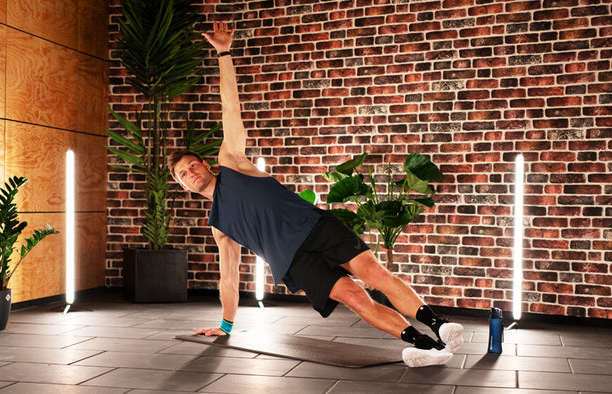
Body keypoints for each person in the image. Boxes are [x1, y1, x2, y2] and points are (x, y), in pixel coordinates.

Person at [169, 21, 463, 367]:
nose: (190, 173)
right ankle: (429, 349)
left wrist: (223, 52)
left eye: (192, 165)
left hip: (316, 228)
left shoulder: (232, 163)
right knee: (355, 298)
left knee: (376, 276)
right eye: (182, 174)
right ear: (182, 185)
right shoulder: (218, 223)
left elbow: (230, 108)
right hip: (294, 263)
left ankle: (440, 326)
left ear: (205, 164)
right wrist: (225, 324)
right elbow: (229, 277)